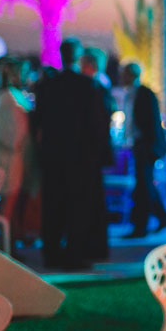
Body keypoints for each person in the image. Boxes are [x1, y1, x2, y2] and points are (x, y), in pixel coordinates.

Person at [33, 38, 111, 269]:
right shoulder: (88, 86)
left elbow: (37, 121)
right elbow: (97, 125)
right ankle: (75, 255)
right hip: (81, 159)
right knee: (78, 206)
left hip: (53, 157)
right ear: (77, 57)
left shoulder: (47, 85)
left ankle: (51, 253)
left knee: (53, 205)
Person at [123, 61, 166, 236]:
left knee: (144, 185)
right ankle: (162, 217)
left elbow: (152, 123)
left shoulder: (144, 93)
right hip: (138, 144)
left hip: (146, 146)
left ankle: (142, 225)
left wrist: (152, 147)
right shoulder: (131, 94)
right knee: (145, 184)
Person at [0, 58, 33, 246]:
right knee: (9, 199)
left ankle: (10, 239)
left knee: (10, 199)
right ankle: (5, 243)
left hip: (9, 153)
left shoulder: (6, 95)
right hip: (10, 155)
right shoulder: (10, 97)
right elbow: (15, 128)